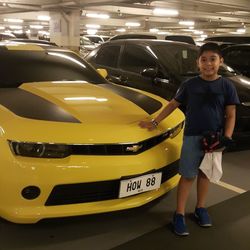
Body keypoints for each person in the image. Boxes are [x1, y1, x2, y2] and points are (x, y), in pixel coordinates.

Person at [139, 42, 240, 236]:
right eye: (204, 60)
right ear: (197, 63)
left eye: (213, 59)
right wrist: (154, 121)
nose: (208, 64)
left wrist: (226, 137)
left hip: (214, 139)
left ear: (221, 61)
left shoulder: (226, 85)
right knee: (187, 176)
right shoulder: (190, 85)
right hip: (193, 137)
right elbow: (172, 104)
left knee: (205, 175)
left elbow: (231, 114)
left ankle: (200, 208)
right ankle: (179, 214)